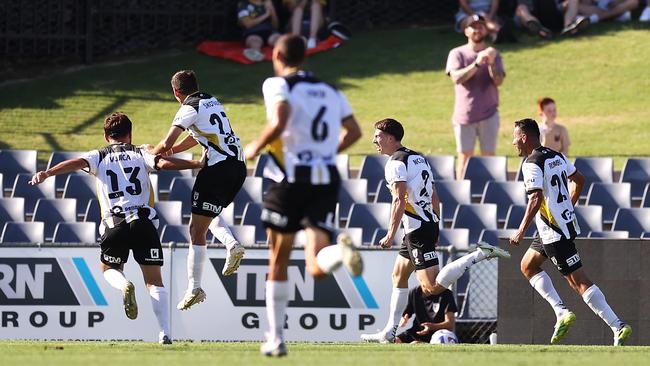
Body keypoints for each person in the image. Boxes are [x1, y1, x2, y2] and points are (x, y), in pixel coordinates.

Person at [28, 112, 204, 344]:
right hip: (144, 222)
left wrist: (48, 172)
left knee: (109, 267)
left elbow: (75, 163)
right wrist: (197, 164)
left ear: (105, 135)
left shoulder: (98, 155)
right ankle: (165, 334)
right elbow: (162, 163)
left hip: (115, 223)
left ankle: (123, 284)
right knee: (154, 281)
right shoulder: (141, 152)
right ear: (130, 134)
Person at [243, 34, 363, 357]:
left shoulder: (277, 84)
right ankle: (340, 252)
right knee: (315, 265)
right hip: (326, 178)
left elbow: (280, 120)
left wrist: (254, 146)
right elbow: (354, 131)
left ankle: (276, 338)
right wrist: (325, 153)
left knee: (278, 256)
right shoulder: (331, 90)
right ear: (305, 57)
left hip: (292, 177)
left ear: (277, 55)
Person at [360, 118, 511, 343]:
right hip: (423, 225)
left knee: (430, 288)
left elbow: (399, 199)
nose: (375, 140)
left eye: (378, 136)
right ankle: (389, 332)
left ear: (391, 138)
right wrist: (435, 224)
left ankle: (479, 254)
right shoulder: (418, 158)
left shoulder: (395, 164)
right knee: (398, 276)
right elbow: (434, 195)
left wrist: (390, 233)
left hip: (417, 230)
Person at [508, 118, 632, 346]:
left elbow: (535, 197)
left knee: (579, 282)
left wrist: (520, 230)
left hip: (554, 232)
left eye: (515, 137)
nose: (513, 142)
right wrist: (567, 207)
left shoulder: (531, 163)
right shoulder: (556, 156)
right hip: (556, 227)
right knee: (528, 265)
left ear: (524, 137)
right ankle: (561, 311)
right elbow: (580, 180)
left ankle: (617, 325)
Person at [148, 70, 247, 311]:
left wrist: (148, 153)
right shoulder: (211, 100)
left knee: (195, 229)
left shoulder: (187, 107)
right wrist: (170, 152)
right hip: (239, 166)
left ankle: (194, 287)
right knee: (206, 217)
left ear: (176, 92)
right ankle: (231, 244)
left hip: (218, 167)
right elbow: (196, 137)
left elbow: (168, 141)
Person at [446, 14, 506, 180]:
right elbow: (456, 78)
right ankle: (460, 195)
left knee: (489, 156)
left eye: (481, 26)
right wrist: (477, 63)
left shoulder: (494, 53)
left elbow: (498, 81)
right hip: (464, 115)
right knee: (465, 157)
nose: (477, 30)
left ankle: (491, 194)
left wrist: (492, 62)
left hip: (489, 114)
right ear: (466, 31)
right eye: (473, 27)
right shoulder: (457, 53)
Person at [515, 0, 588, 38]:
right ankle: (536, 27)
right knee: (522, 8)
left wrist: (565, 5)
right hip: (537, 16)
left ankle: (568, 26)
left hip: (557, 13)